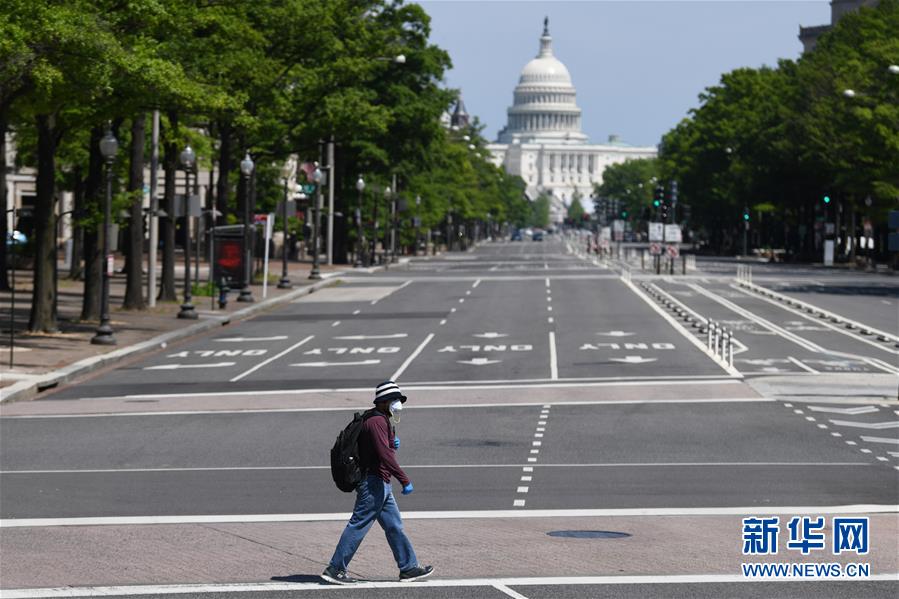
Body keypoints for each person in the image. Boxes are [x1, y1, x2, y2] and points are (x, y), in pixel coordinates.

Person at [322, 380, 434, 585]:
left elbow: (381, 448)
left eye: (398, 400)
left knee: (394, 526)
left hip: (381, 483)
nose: (397, 404)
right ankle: (335, 568)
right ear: (382, 402)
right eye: (394, 400)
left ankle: (408, 568)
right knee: (359, 524)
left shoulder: (381, 419)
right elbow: (385, 455)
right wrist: (404, 479)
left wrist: (392, 442)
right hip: (373, 483)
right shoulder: (376, 422)